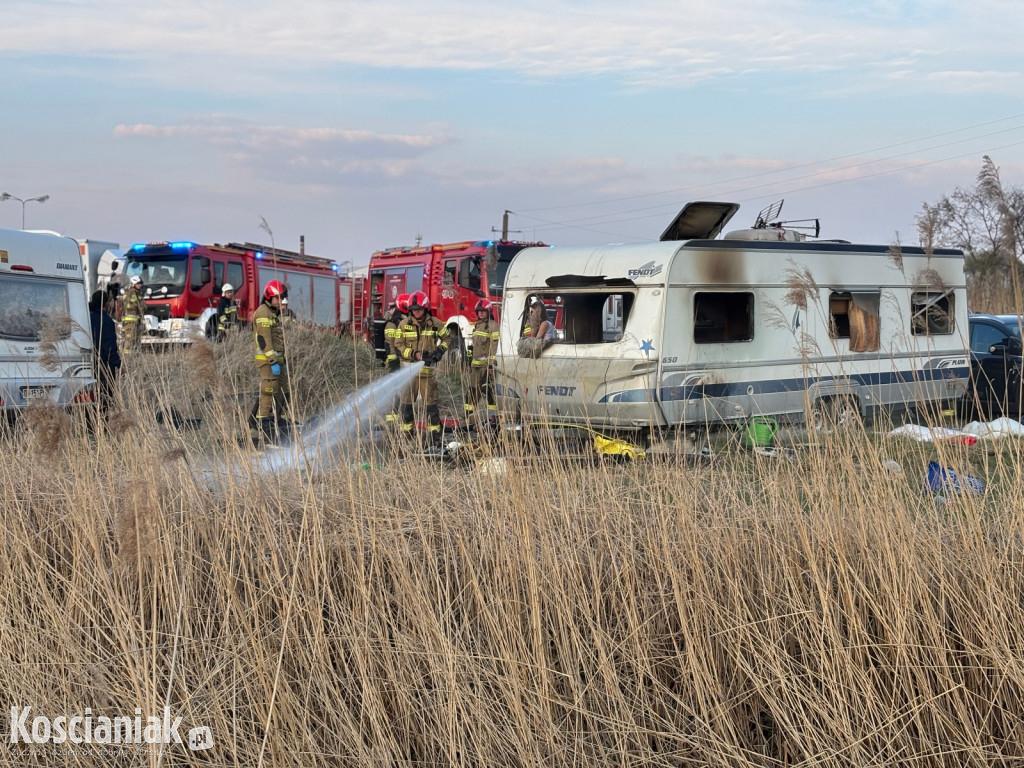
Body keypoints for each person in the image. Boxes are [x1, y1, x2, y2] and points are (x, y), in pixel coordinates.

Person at [394, 290, 449, 443]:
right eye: (413, 310)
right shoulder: (404, 325)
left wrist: (440, 351)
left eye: (419, 309)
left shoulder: (436, 324)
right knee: (406, 403)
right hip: (409, 372)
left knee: (431, 404)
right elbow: (398, 344)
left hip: (427, 374)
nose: (416, 312)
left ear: (425, 308)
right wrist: (415, 354)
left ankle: (435, 436)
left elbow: (447, 338)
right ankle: (407, 435)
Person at [251, 279, 291, 444]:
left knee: (283, 389)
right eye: (278, 298)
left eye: (282, 298)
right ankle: (264, 421)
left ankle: (278, 417)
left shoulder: (274, 313)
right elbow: (264, 340)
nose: (281, 301)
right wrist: (273, 361)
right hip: (267, 361)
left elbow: (278, 339)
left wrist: (283, 360)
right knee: (269, 389)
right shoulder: (263, 313)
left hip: (278, 360)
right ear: (269, 296)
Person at [464, 298, 500, 428]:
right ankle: (468, 416)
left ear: (488, 312)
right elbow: (473, 346)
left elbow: (495, 347)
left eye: (483, 312)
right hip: (475, 367)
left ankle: (493, 418)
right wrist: (468, 362)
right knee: (472, 391)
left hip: (486, 367)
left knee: (488, 391)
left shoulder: (494, 326)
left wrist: (491, 365)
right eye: (479, 312)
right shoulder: (477, 325)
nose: (481, 314)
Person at [88, 288, 121, 419]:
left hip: (89, 362)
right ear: (106, 304)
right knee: (105, 395)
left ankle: (90, 422)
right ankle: (102, 424)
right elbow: (110, 346)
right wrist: (118, 363)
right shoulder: (107, 321)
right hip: (104, 364)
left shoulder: (87, 318)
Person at [119, 275, 148, 352]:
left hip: (137, 320)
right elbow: (128, 305)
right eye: (138, 283)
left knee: (136, 340)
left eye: (141, 283)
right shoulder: (130, 293)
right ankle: (127, 357)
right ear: (133, 284)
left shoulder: (138, 293)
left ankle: (135, 356)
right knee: (130, 339)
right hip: (130, 321)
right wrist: (139, 307)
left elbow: (143, 305)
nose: (140, 285)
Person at [383, 293, 410, 373]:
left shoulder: (407, 319)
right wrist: (393, 362)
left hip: (404, 358)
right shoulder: (392, 323)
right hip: (394, 361)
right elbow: (390, 343)